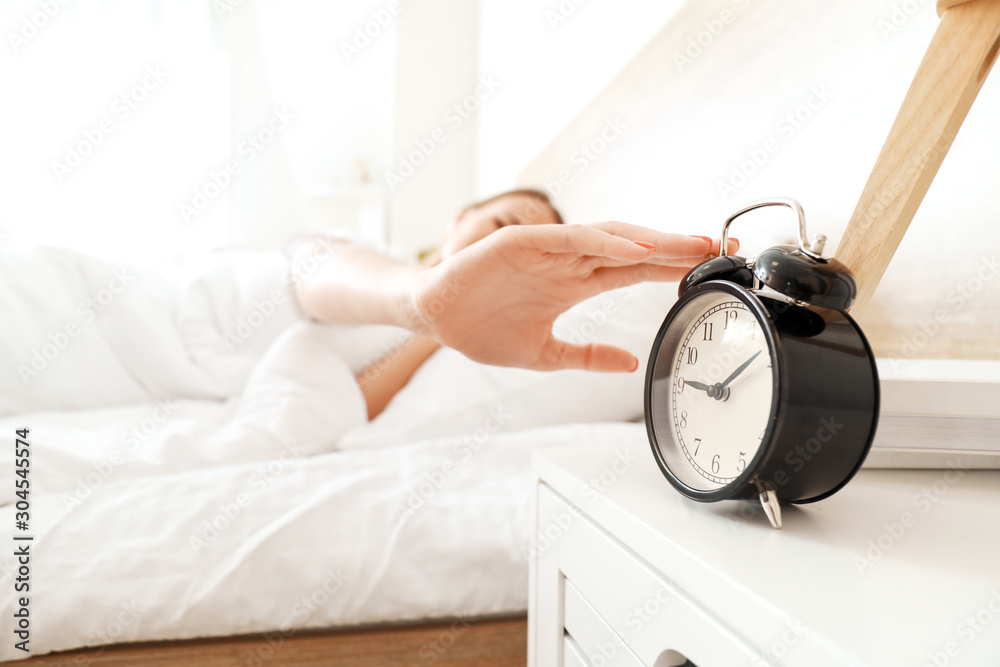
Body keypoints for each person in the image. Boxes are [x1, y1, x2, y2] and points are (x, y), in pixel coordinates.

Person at [292, 188, 735, 419]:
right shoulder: (373, 257)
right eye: (500, 226)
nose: (492, 256)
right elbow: (310, 267)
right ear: (460, 217)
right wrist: (419, 297)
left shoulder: (463, 335)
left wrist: (436, 319)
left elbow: (355, 407)